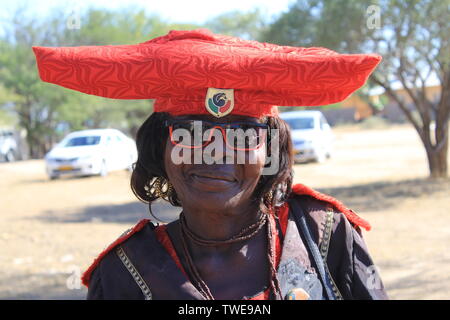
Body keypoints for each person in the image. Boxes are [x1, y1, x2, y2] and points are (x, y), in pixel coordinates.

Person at [33, 29, 388, 300]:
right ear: (160, 147)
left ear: (270, 149)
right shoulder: (124, 271)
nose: (215, 152)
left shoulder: (323, 233)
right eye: (189, 133)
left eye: (242, 135)